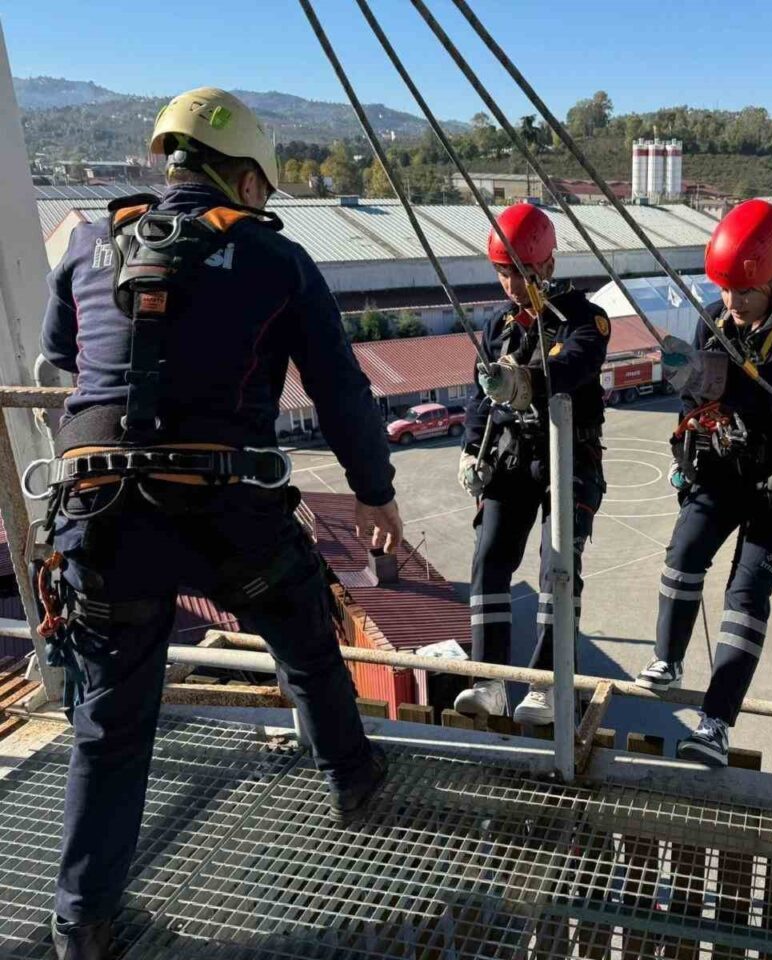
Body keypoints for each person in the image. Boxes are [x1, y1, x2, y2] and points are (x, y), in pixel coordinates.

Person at [36, 88, 402, 959]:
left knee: (109, 722)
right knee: (305, 634)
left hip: (100, 512)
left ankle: (83, 924)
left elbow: (61, 363)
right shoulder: (276, 258)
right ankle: (353, 781)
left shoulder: (86, 240)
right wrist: (375, 492)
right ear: (242, 178)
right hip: (228, 513)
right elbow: (340, 392)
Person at [634, 199, 772, 766]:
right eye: (725, 290)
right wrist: (686, 442)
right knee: (684, 552)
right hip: (725, 466)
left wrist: (707, 375)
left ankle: (715, 724)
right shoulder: (715, 320)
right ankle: (667, 660)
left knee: (746, 594)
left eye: (744, 292)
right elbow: (695, 398)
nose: (733, 303)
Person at [454, 203, 609, 725]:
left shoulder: (583, 319)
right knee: (489, 557)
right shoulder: (499, 326)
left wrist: (523, 382)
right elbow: (480, 396)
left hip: (569, 455)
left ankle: (547, 683)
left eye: (520, 273)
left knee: (556, 564)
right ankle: (489, 679)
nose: (511, 285)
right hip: (513, 456)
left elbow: (572, 366)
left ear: (547, 265)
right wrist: (470, 449)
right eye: (503, 273)